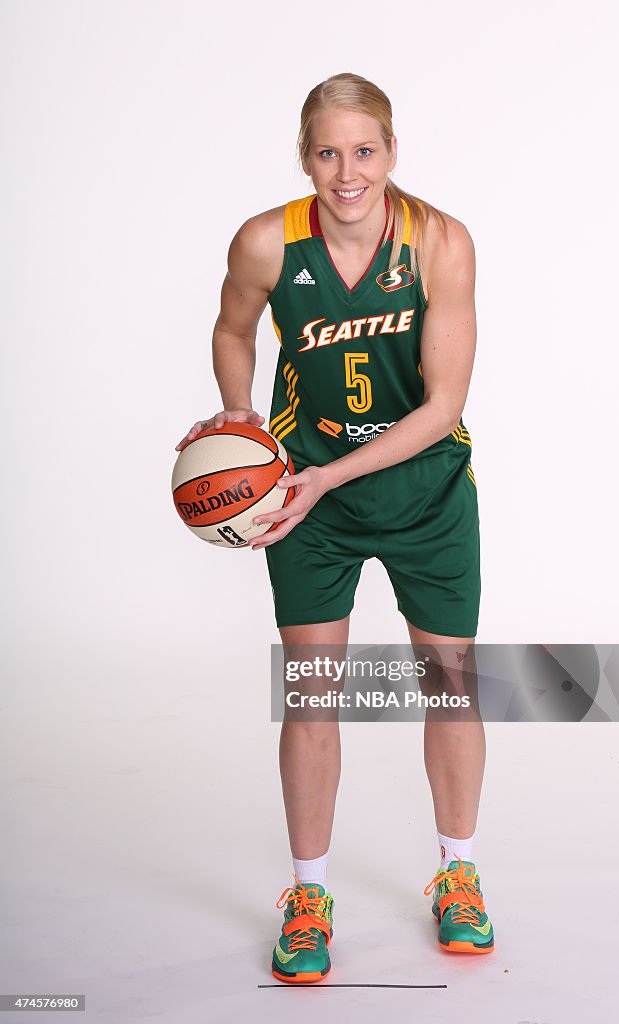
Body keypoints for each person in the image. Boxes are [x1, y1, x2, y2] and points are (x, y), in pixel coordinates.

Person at [175, 72, 493, 983]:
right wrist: (240, 423)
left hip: (424, 493)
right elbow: (232, 329)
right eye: (327, 152)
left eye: (364, 151)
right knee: (312, 693)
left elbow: (442, 408)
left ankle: (457, 873)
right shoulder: (268, 241)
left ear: (392, 153)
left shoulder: (439, 243)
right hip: (308, 504)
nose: (346, 171)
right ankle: (307, 892)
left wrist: (322, 477)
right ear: (304, 156)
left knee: (450, 684)